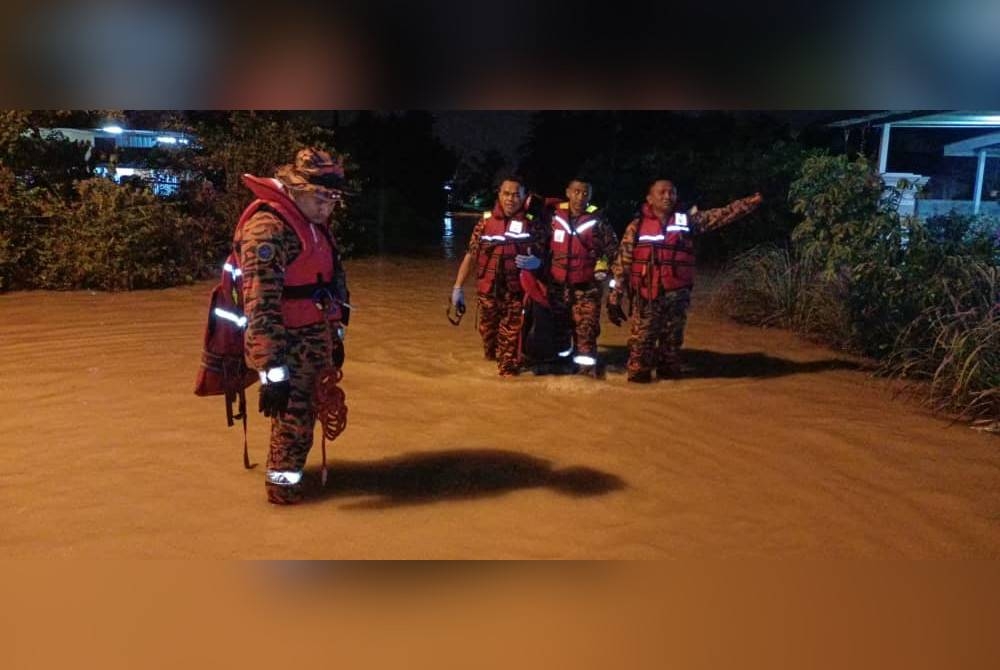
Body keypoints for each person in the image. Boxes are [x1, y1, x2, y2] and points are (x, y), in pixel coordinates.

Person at [236, 147, 350, 504]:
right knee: (292, 425)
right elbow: (260, 307)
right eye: (320, 196)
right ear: (294, 188)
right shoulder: (267, 230)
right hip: (287, 350)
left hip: (314, 343)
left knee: (303, 422)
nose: (328, 205)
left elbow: (331, 286)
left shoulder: (313, 224)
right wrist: (272, 374)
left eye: (334, 197)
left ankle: (290, 483)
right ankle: (282, 497)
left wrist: (336, 337)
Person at [608, 179, 762, 383]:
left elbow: (722, 215)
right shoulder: (637, 227)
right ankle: (637, 389)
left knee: (672, 345)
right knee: (640, 345)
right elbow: (623, 262)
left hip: (676, 294)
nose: (667, 196)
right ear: (649, 198)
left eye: (671, 192)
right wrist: (615, 296)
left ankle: (669, 389)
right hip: (646, 296)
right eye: (662, 192)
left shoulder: (687, 221)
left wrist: (751, 202)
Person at [450, 175, 547, 376]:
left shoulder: (533, 224)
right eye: (506, 194)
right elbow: (471, 256)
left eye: (516, 195)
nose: (511, 199)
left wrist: (537, 262)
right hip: (487, 296)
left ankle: (508, 383)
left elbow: (547, 257)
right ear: (499, 194)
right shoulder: (484, 223)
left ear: (523, 197)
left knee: (508, 361)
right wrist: (457, 288)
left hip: (515, 297)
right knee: (489, 347)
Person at [542, 178, 619, 376]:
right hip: (558, 286)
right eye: (576, 192)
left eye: (585, 193)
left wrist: (613, 285)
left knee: (586, 331)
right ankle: (561, 371)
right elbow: (539, 245)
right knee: (560, 331)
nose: (580, 197)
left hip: (587, 287)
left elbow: (614, 253)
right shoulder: (553, 217)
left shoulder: (598, 220)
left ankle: (586, 376)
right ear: (568, 192)